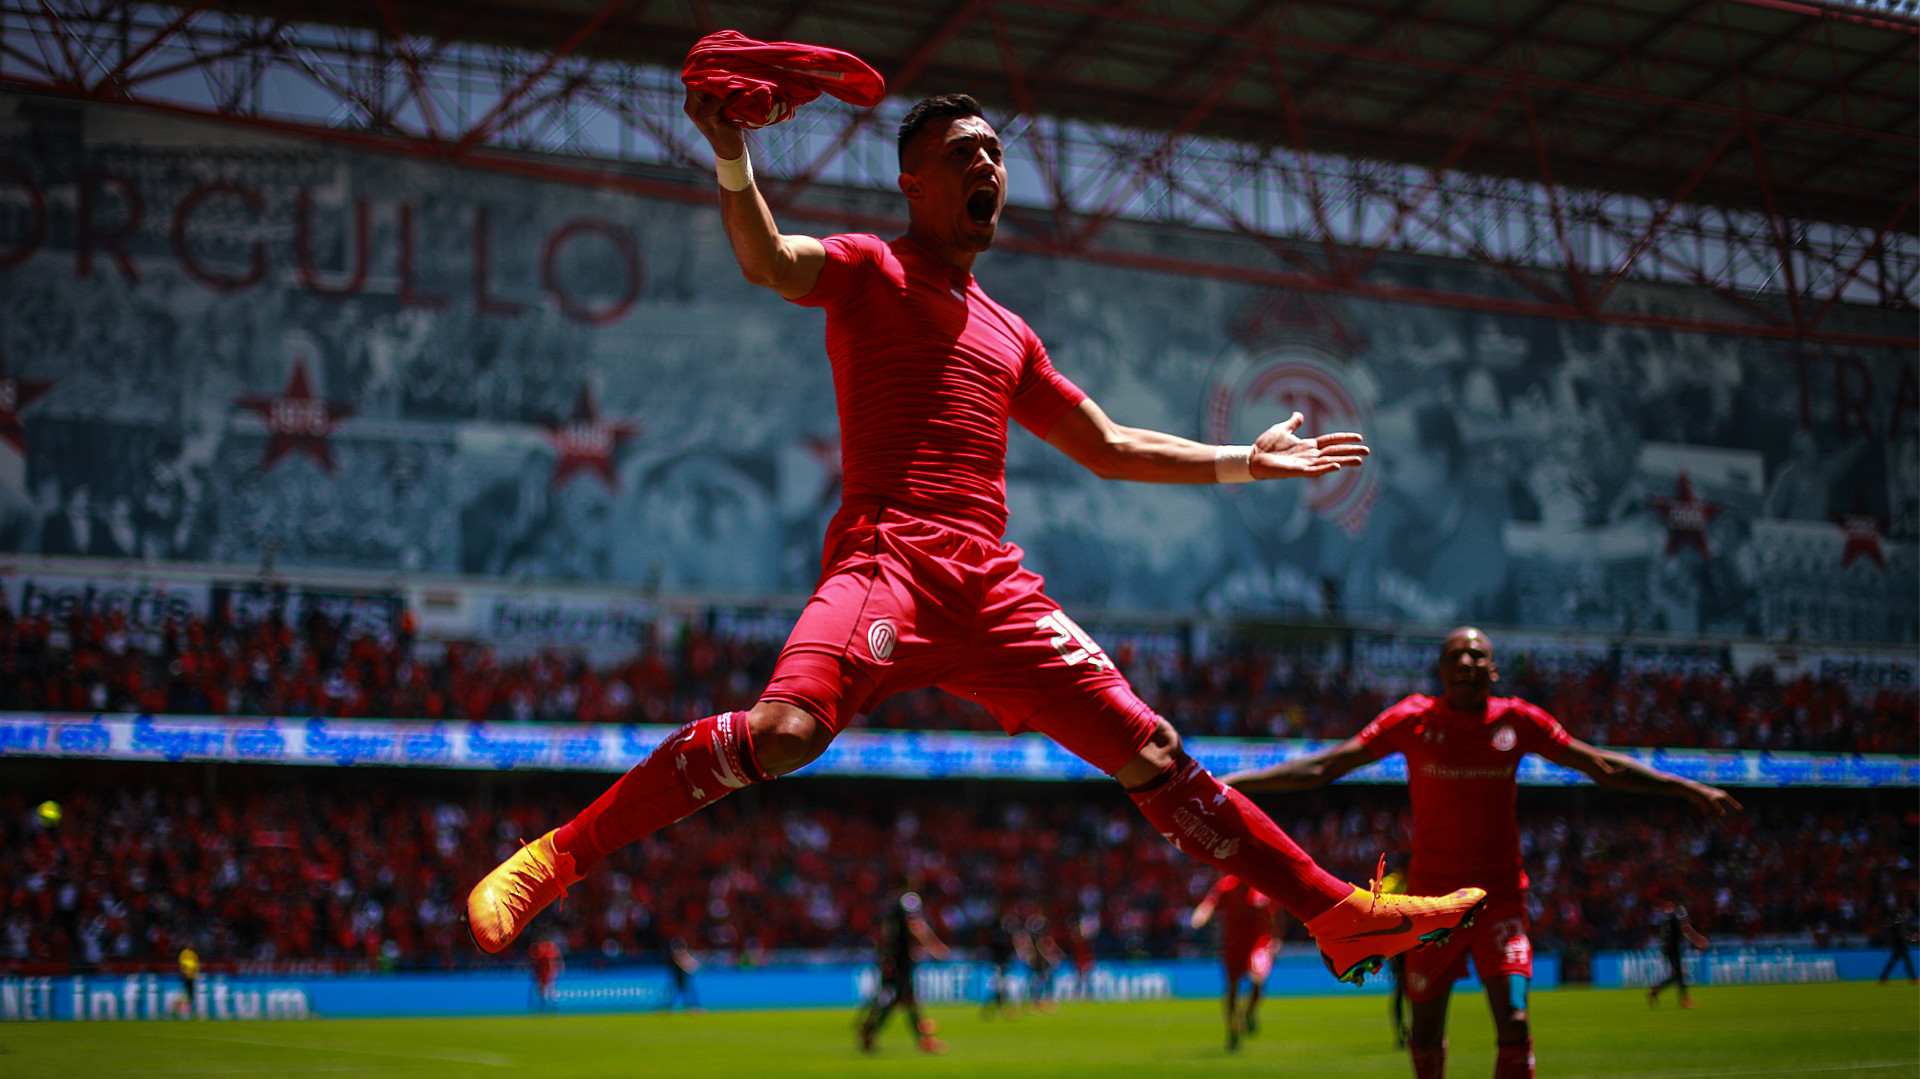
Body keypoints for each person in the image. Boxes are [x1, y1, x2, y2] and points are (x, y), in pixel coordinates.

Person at [467, 80, 1489, 995]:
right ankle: (556, 855)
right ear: (913, 182)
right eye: (965, 154)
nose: (988, 165)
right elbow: (770, 259)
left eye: (995, 152)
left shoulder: (1009, 331)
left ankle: (1336, 913)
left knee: (1154, 752)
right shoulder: (870, 268)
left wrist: (1244, 460)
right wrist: (735, 154)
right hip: (889, 561)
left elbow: (1109, 443)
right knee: (785, 735)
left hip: (995, 589)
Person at [1227, 626, 1742, 1079]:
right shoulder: (1412, 720)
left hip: (1500, 902)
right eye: (1456, 656)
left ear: (1494, 670)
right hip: (1429, 910)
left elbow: (1601, 766)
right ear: (1442, 671)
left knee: (1515, 1022)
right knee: (1424, 1031)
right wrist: (1235, 785)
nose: (1467, 662)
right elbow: (1324, 767)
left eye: (1477, 655)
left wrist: (1687, 788)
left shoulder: (1518, 722)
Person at [1189, 873, 1280, 1051]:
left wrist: (1276, 938)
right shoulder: (1226, 885)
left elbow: (1274, 915)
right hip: (1233, 944)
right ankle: (1232, 1031)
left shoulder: (1261, 888)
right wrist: (1200, 916)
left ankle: (1249, 1011)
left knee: (1257, 979)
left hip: (1258, 944)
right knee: (1232, 989)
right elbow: (1210, 903)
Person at [857, 885, 951, 1054]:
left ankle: (869, 1031)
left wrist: (885, 955)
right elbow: (916, 925)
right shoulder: (909, 901)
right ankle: (923, 1040)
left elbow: (883, 933)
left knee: (900, 999)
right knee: (903, 999)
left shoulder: (890, 905)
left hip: (891, 958)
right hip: (901, 960)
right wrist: (934, 946)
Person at [1645, 901, 1709, 1008]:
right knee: (1678, 975)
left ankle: (1658, 991)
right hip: (1674, 950)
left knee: (1678, 975)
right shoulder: (1677, 918)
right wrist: (1698, 940)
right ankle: (1683, 1000)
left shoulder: (1667, 919)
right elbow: (1686, 930)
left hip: (1668, 949)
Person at [1878, 908, 1917, 986]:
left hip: (1896, 944)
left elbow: (1891, 934)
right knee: (1907, 961)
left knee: (1893, 962)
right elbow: (1901, 931)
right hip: (1901, 944)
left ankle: (1883, 977)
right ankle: (1913, 978)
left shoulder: (1891, 920)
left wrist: (1888, 943)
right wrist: (1911, 937)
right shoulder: (1898, 919)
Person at [661, 936, 701, 1011]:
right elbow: (683, 965)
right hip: (679, 977)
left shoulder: (680, 955)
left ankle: (691, 1006)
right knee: (678, 992)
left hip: (682, 977)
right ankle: (692, 1007)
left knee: (682, 992)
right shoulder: (676, 956)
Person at [529, 939, 563, 1012]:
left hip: (547, 977)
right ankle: (546, 1006)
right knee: (546, 991)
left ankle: (548, 1006)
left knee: (548, 991)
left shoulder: (546, 958)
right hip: (544, 977)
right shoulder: (543, 958)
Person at [175, 946, 199, 1019]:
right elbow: (182, 965)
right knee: (185, 995)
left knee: (188, 995)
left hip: (190, 977)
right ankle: (179, 1011)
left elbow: (196, 965)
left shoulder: (192, 954)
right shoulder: (185, 953)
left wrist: (194, 974)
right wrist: (184, 974)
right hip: (186, 977)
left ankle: (187, 1012)